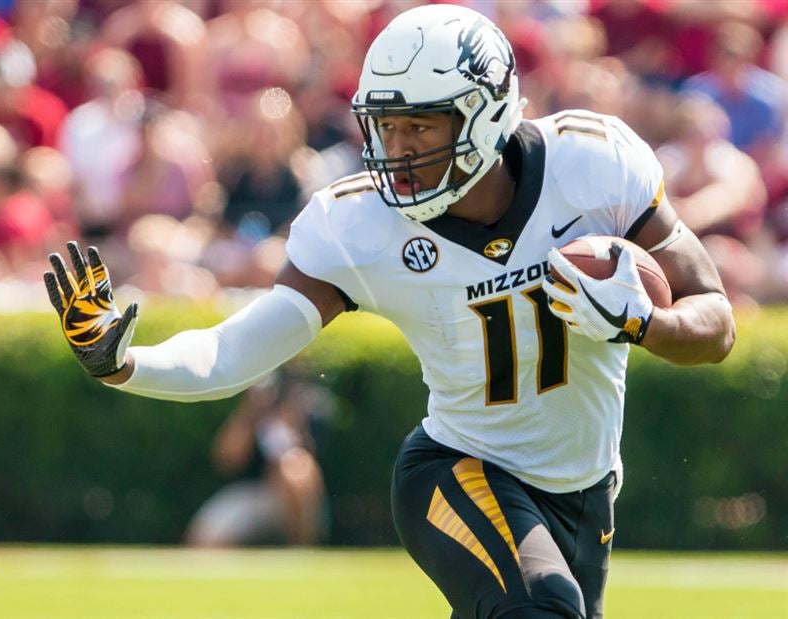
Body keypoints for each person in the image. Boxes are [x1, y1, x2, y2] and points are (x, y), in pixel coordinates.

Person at [45, 5, 735, 619]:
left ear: (487, 111)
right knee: (541, 606)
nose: (398, 151)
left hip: (587, 487)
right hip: (461, 466)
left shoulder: (593, 163)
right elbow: (238, 349)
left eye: (419, 126)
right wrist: (127, 361)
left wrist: (642, 321)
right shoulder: (359, 226)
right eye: (386, 126)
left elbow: (716, 323)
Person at [185, 369, 331, 548]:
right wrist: (250, 414)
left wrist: (293, 423)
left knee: (295, 468)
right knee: (207, 538)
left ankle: (301, 551)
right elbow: (227, 461)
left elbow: (309, 463)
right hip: (254, 492)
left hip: (298, 500)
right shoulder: (252, 410)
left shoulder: (312, 405)